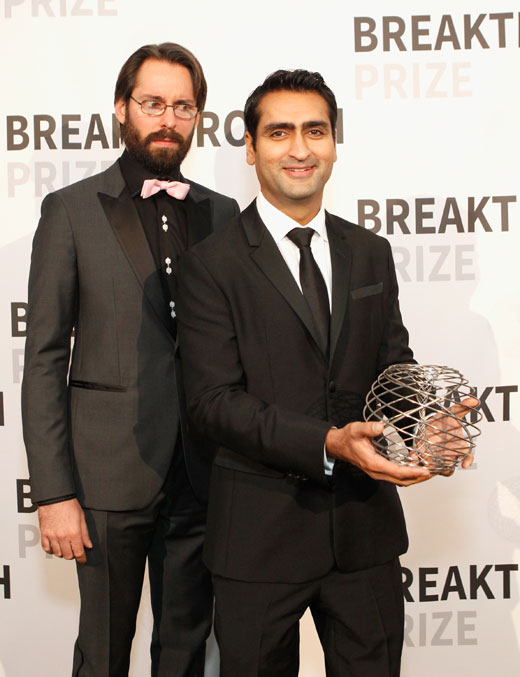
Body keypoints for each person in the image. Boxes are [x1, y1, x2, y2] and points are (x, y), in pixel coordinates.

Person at [176, 69, 475, 676]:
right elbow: (211, 402)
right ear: (252, 147)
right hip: (259, 540)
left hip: (364, 533)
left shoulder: (369, 251)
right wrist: (329, 443)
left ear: (334, 141)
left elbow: (393, 366)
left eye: (315, 130)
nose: (300, 148)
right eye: (279, 132)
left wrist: (427, 423)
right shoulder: (211, 264)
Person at [21, 42, 239, 676]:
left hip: (200, 477)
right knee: (104, 651)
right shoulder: (70, 210)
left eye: (184, 106)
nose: (168, 119)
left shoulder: (221, 214)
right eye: (153, 104)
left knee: (185, 650)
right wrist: (54, 492)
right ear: (122, 109)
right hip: (105, 479)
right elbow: (42, 359)